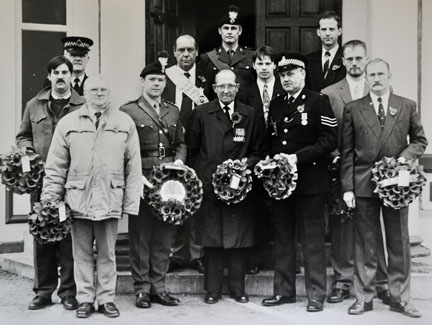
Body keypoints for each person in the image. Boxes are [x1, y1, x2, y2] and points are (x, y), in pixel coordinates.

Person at [40, 75, 141, 318]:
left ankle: (106, 299)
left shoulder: (125, 123)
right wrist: (51, 199)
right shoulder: (68, 122)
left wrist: (130, 203)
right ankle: (85, 298)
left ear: (110, 93)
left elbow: (133, 166)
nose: (99, 94)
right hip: (78, 198)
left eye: (103, 90)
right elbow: (56, 165)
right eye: (93, 89)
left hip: (110, 197)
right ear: (84, 93)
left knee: (108, 253)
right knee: (81, 253)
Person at [341, 58, 427, 318]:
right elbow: (347, 152)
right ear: (366, 78)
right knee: (365, 242)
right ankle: (364, 296)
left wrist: (404, 157)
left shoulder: (406, 105)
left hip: (396, 184)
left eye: (381, 74)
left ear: (390, 75)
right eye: (372, 75)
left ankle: (400, 297)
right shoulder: (353, 109)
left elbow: (420, 140)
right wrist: (347, 188)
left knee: (398, 242)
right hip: (364, 182)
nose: (376, 78)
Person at [261, 52, 337, 312]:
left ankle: (316, 293)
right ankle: (284, 292)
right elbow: (271, 140)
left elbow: (329, 141)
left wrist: (296, 158)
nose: (286, 79)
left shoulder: (318, 101)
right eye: (282, 75)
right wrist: (268, 162)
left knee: (312, 239)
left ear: (303, 74)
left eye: (291, 73)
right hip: (282, 185)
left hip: (310, 182)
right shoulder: (277, 103)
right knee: (283, 237)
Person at [321, 40, 390, 304]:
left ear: (366, 58)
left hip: (375, 169)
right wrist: (336, 158)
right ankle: (343, 280)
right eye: (349, 59)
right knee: (343, 225)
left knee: (374, 227)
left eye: (359, 58)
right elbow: (325, 132)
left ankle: (379, 280)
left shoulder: (379, 87)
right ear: (343, 62)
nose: (354, 63)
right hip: (343, 167)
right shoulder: (330, 93)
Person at [16, 55, 84, 311]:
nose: (60, 77)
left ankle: (68, 291)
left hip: (71, 182)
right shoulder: (34, 105)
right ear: (49, 76)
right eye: (56, 72)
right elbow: (23, 136)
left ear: (70, 76)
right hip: (42, 183)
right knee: (43, 235)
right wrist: (28, 153)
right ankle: (43, 290)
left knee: (68, 238)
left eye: (65, 72)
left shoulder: (82, 106)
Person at [186, 69, 261, 304]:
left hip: (240, 188)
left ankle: (238, 289)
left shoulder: (250, 114)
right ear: (215, 89)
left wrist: (245, 165)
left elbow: (259, 150)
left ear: (237, 88)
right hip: (210, 188)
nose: (226, 90)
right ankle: (212, 290)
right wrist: (205, 178)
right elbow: (192, 151)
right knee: (213, 240)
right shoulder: (201, 113)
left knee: (239, 239)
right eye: (221, 86)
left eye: (231, 86)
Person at [120, 60, 186, 309]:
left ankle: (159, 287)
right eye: (152, 80)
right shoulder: (129, 110)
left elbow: (180, 142)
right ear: (143, 82)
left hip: (169, 180)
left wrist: (179, 162)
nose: (157, 84)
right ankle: (141, 289)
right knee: (141, 236)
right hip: (143, 178)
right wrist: (135, 176)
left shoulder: (173, 110)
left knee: (164, 235)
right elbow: (125, 148)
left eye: (161, 80)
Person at [237, 45, 284, 274]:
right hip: (255, 155)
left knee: (281, 208)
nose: (264, 68)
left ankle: (283, 259)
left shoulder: (283, 89)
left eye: (267, 63)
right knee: (257, 210)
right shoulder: (246, 93)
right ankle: (256, 258)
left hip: (280, 155)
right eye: (259, 63)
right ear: (254, 66)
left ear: (274, 65)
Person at [163, 34, 207, 274]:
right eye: (181, 50)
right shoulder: (166, 78)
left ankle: (198, 253)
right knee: (175, 198)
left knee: (198, 200)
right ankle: (177, 253)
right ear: (174, 52)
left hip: (201, 146)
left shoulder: (206, 77)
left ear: (197, 51)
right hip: (173, 147)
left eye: (190, 50)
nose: (186, 54)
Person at [199, 5, 255, 100]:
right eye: (226, 28)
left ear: (240, 31)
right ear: (219, 31)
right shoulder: (207, 58)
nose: (229, 32)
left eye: (233, 28)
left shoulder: (251, 56)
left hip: (245, 109)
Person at [306, 11, 346, 92]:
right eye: (324, 29)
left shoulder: (347, 58)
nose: (327, 33)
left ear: (339, 31)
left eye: (331, 29)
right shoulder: (309, 60)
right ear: (318, 32)